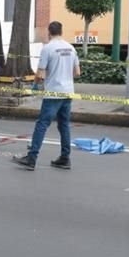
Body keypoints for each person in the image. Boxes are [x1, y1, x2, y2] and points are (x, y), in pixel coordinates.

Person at [12, 21, 81, 170]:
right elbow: (77, 72)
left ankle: (32, 158)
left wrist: (35, 85)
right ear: (61, 32)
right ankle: (65, 157)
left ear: (49, 32)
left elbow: (40, 74)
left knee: (42, 124)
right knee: (64, 125)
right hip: (68, 92)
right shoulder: (71, 48)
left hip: (53, 93)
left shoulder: (48, 48)